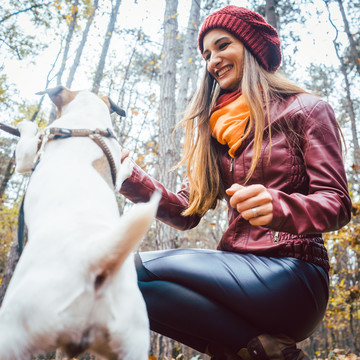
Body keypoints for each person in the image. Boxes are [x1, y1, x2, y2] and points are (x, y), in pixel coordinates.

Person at [119, 5, 351, 360]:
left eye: (223, 45)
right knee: (122, 282)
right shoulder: (215, 133)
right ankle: (263, 351)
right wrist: (127, 176)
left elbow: (337, 203)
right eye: (207, 54)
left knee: (129, 267)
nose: (213, 60)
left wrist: (280, 207)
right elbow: (186, 211)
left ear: (252, 47)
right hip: (236, 273)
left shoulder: (306, 109)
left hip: (294, 274)